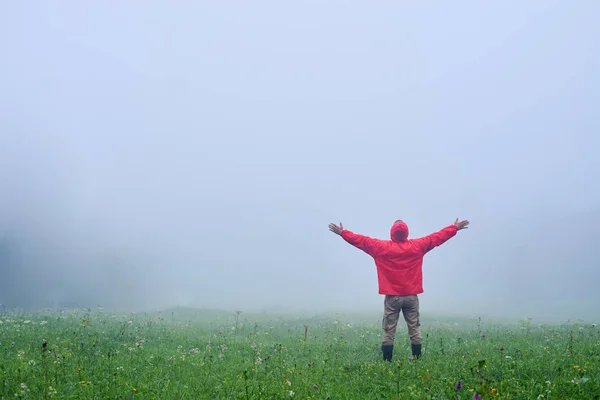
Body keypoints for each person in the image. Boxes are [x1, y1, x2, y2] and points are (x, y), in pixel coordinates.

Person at [328, 218, 469, 362]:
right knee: (414, 329)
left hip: (392, 298)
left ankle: (387, 362)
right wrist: (454, 228)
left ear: (392, 232)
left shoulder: (381, 247)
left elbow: (361, 241)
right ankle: (417, 360)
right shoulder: (417, 246)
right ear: (406, 233)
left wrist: (342, 232)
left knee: (389, 331)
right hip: (411, 297)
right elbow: (436, 238)